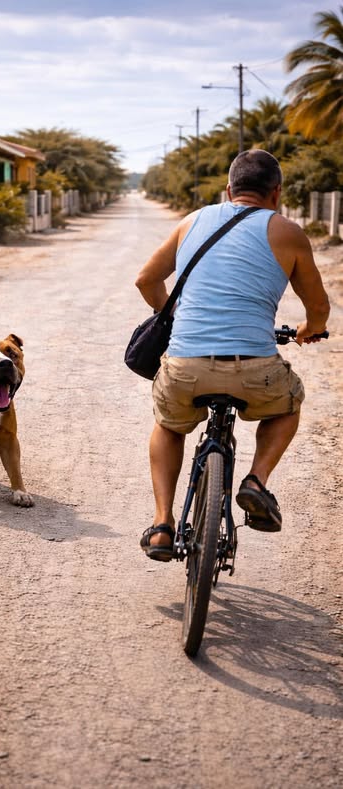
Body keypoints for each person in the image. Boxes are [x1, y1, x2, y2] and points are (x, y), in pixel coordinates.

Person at [135, 149, 330, 561]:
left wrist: (171, 314)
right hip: (255, 368)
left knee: (169, 425)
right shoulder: (288, 232)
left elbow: (146, 280)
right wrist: (308, 330)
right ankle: (256, 481)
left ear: (228, 190)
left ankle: (162, 525)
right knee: (288, 405)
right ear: (277, 193)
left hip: (186, 364)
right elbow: (318, 309)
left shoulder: (191, 222)